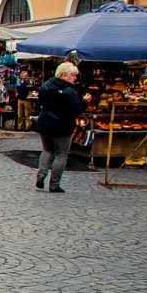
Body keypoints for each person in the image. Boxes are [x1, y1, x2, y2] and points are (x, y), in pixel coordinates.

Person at [34, 62, 91, 194]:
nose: (75, 78)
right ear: (65, 75)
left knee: (47, 150)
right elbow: (76, 109)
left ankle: (41, 174)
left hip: (45, 123)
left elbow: (40, 102)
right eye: (73, 75)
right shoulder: (69, 92)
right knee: (61, 154)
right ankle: (54, 184)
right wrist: (85, 101)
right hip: (62, 125)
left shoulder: (46, 86)